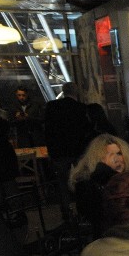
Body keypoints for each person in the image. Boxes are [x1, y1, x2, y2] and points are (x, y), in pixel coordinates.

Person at [69, 134, 129, 238]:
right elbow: (92, 213)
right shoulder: (87, 184)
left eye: (119, 153)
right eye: (109, 155)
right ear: (98, 159)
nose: (116, 159)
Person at [44, 82, 91, 219]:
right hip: (78, 150)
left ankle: (67, 210)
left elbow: (48, 131)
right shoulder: (81, 108)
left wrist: (51, 151)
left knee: (62, 182)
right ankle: (82, 208)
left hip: (59, 151)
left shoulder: (52, 107)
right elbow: (85, 131)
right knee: (80, 180)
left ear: (63, 91)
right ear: (76, 92)